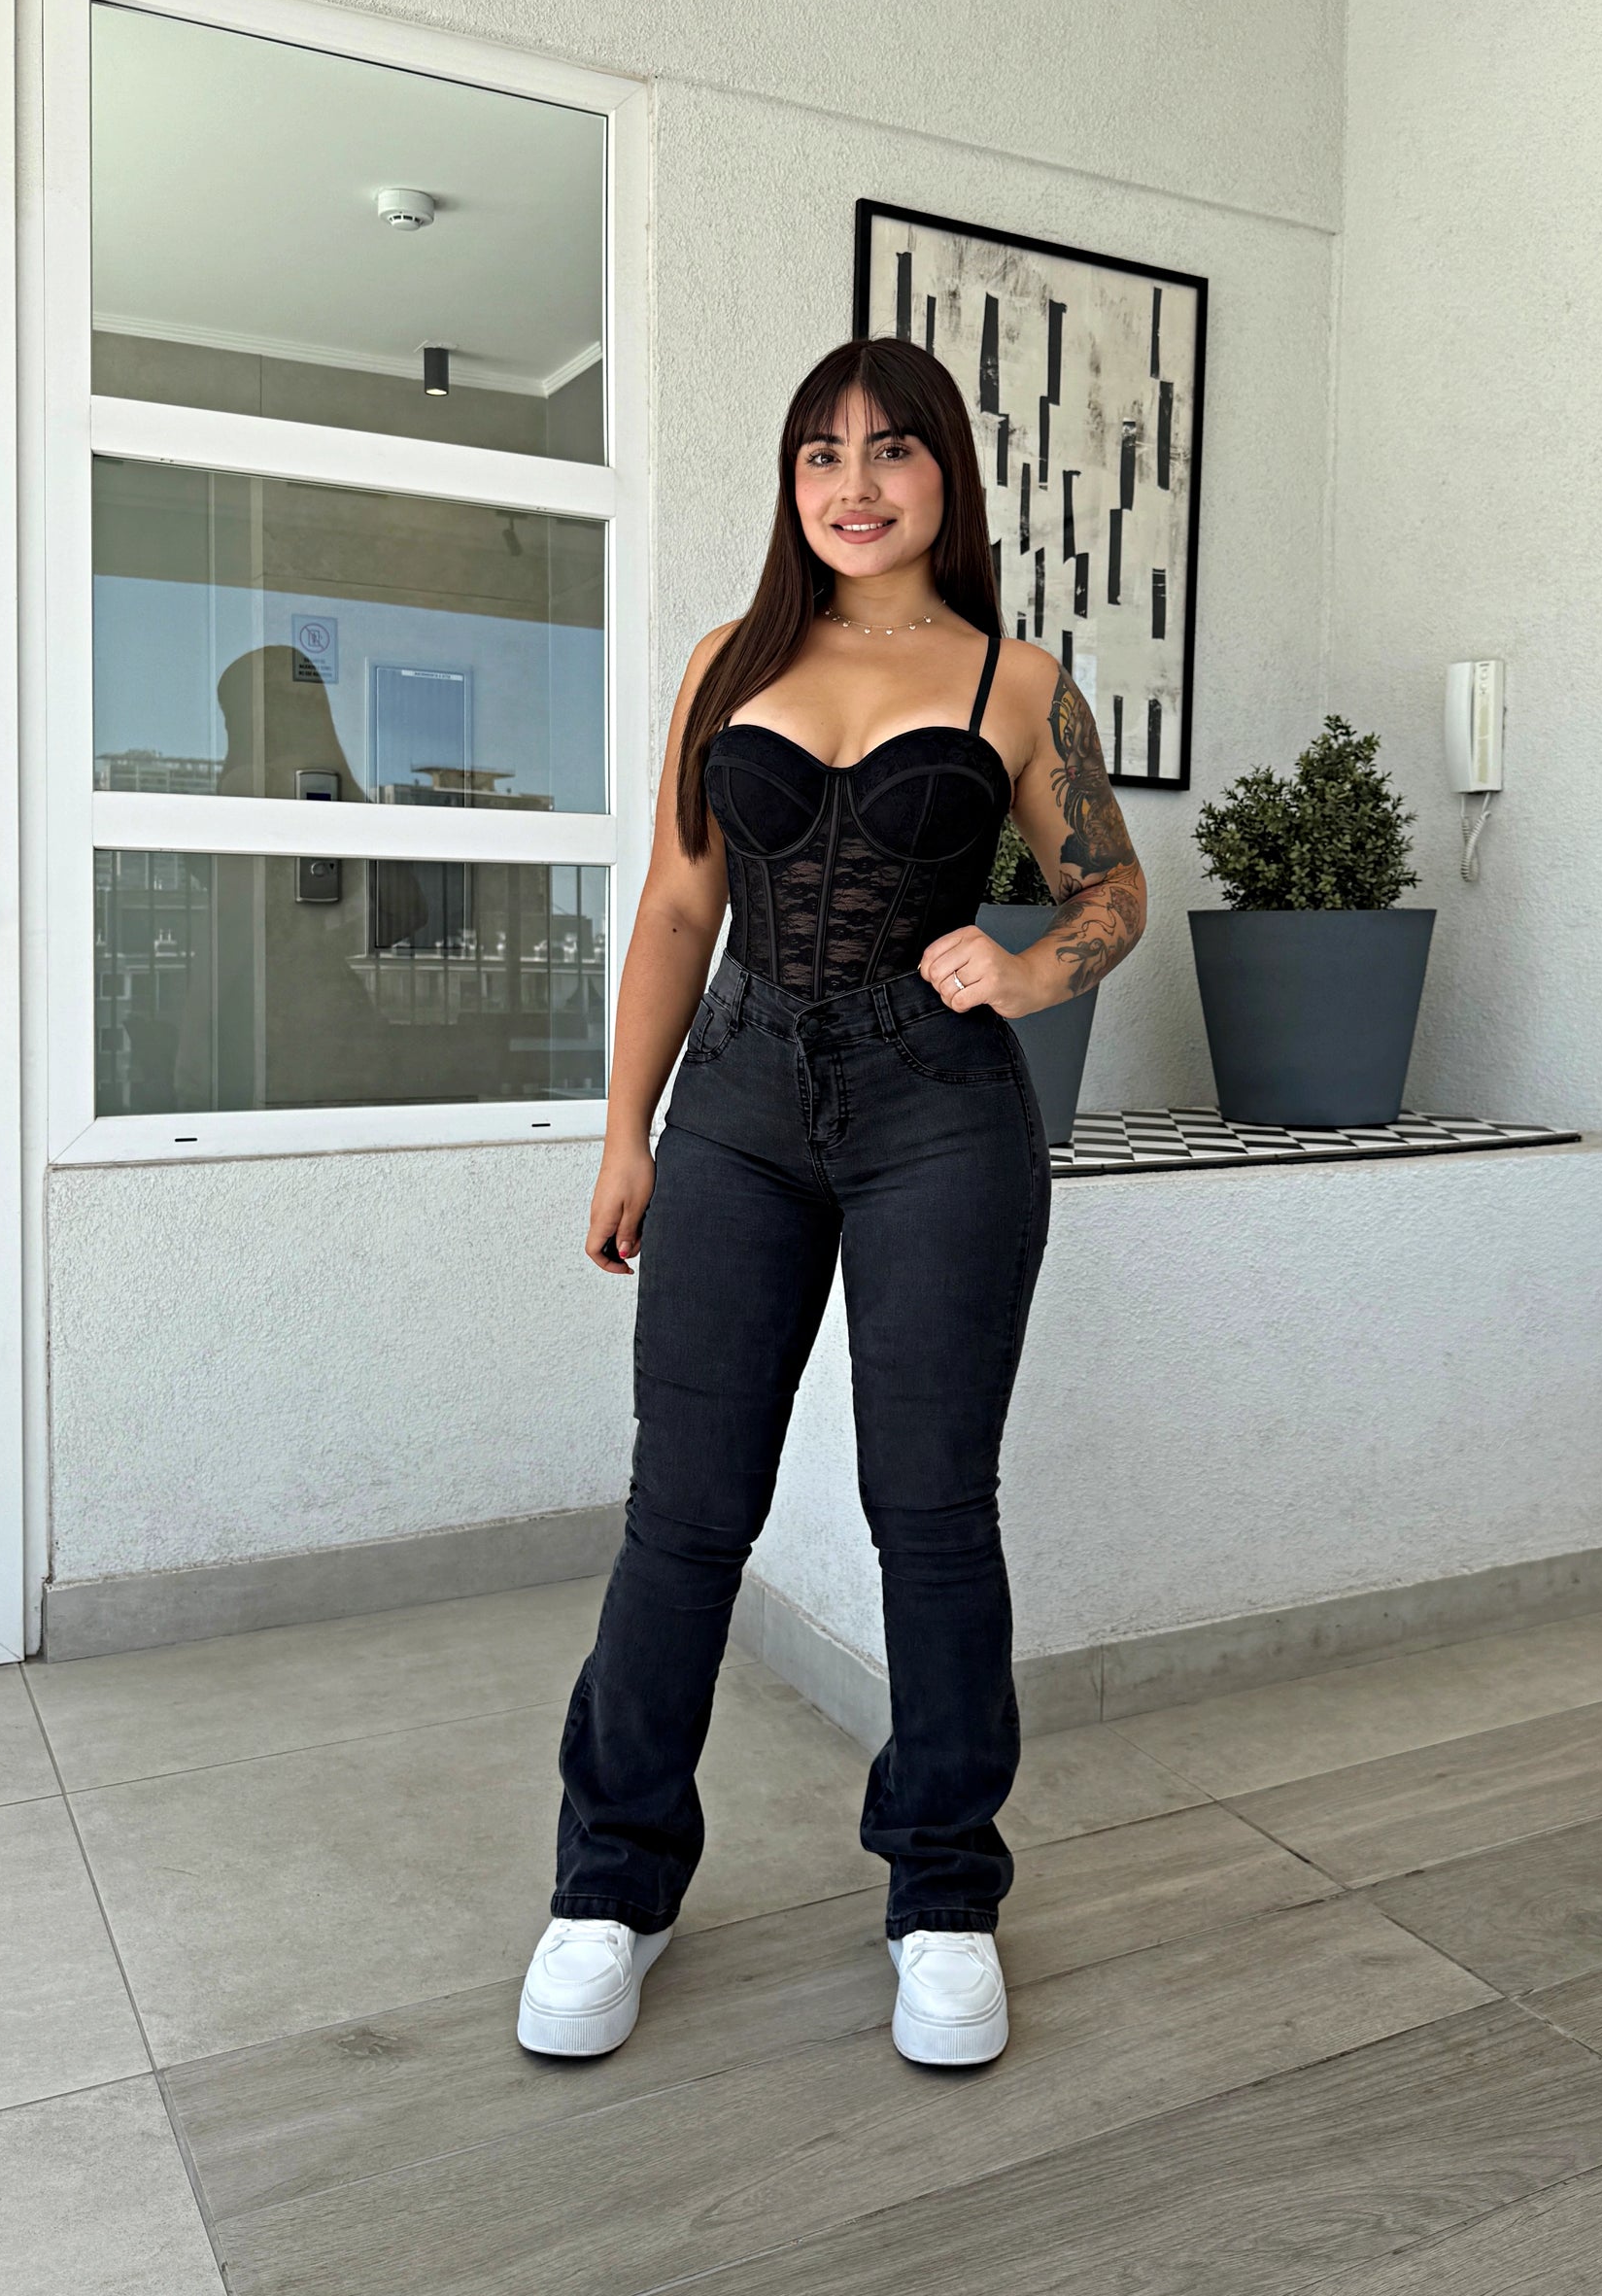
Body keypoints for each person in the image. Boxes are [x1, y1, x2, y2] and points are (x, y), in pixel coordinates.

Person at [518, 335, 1146, 2068]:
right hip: (732, 1108)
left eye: (889, 450)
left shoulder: (1014, 680)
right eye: (820, 453)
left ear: (945, 473)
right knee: (685, 1510)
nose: (853, 484)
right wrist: (625, 1132)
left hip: (937, 1109)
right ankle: (611, 1885)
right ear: (791, 481)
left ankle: (942, 1897)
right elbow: (675, 910)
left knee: (928, 1510)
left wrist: (1025, 973)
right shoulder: (728, 663)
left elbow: (1112, 891)